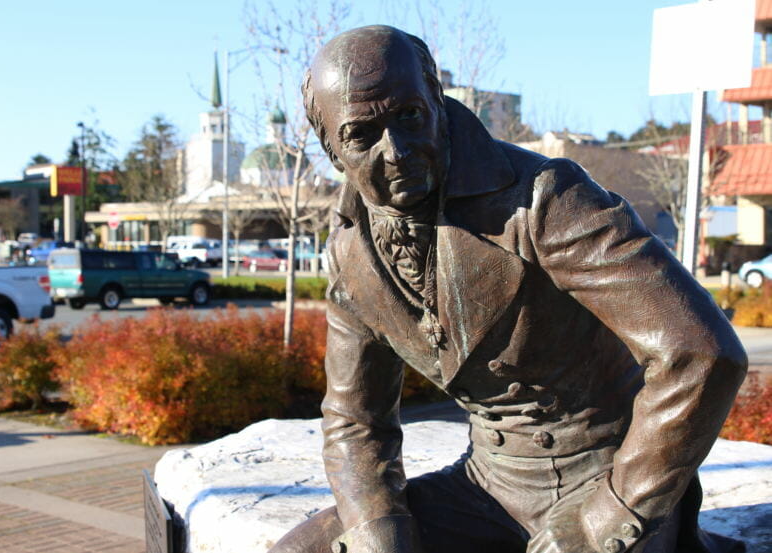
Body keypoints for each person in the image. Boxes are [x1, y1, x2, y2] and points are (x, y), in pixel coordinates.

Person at [270, 25, 747, 553]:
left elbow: (700, 352)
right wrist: (380, 535)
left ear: (437, 102)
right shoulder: (349, 253)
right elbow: (355, 422)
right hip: (487, 488)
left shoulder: (545, 199)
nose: (397, 150)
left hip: (608, 478)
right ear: (333, 151)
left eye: (408, 117)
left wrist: (607, 514)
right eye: (362, 134)